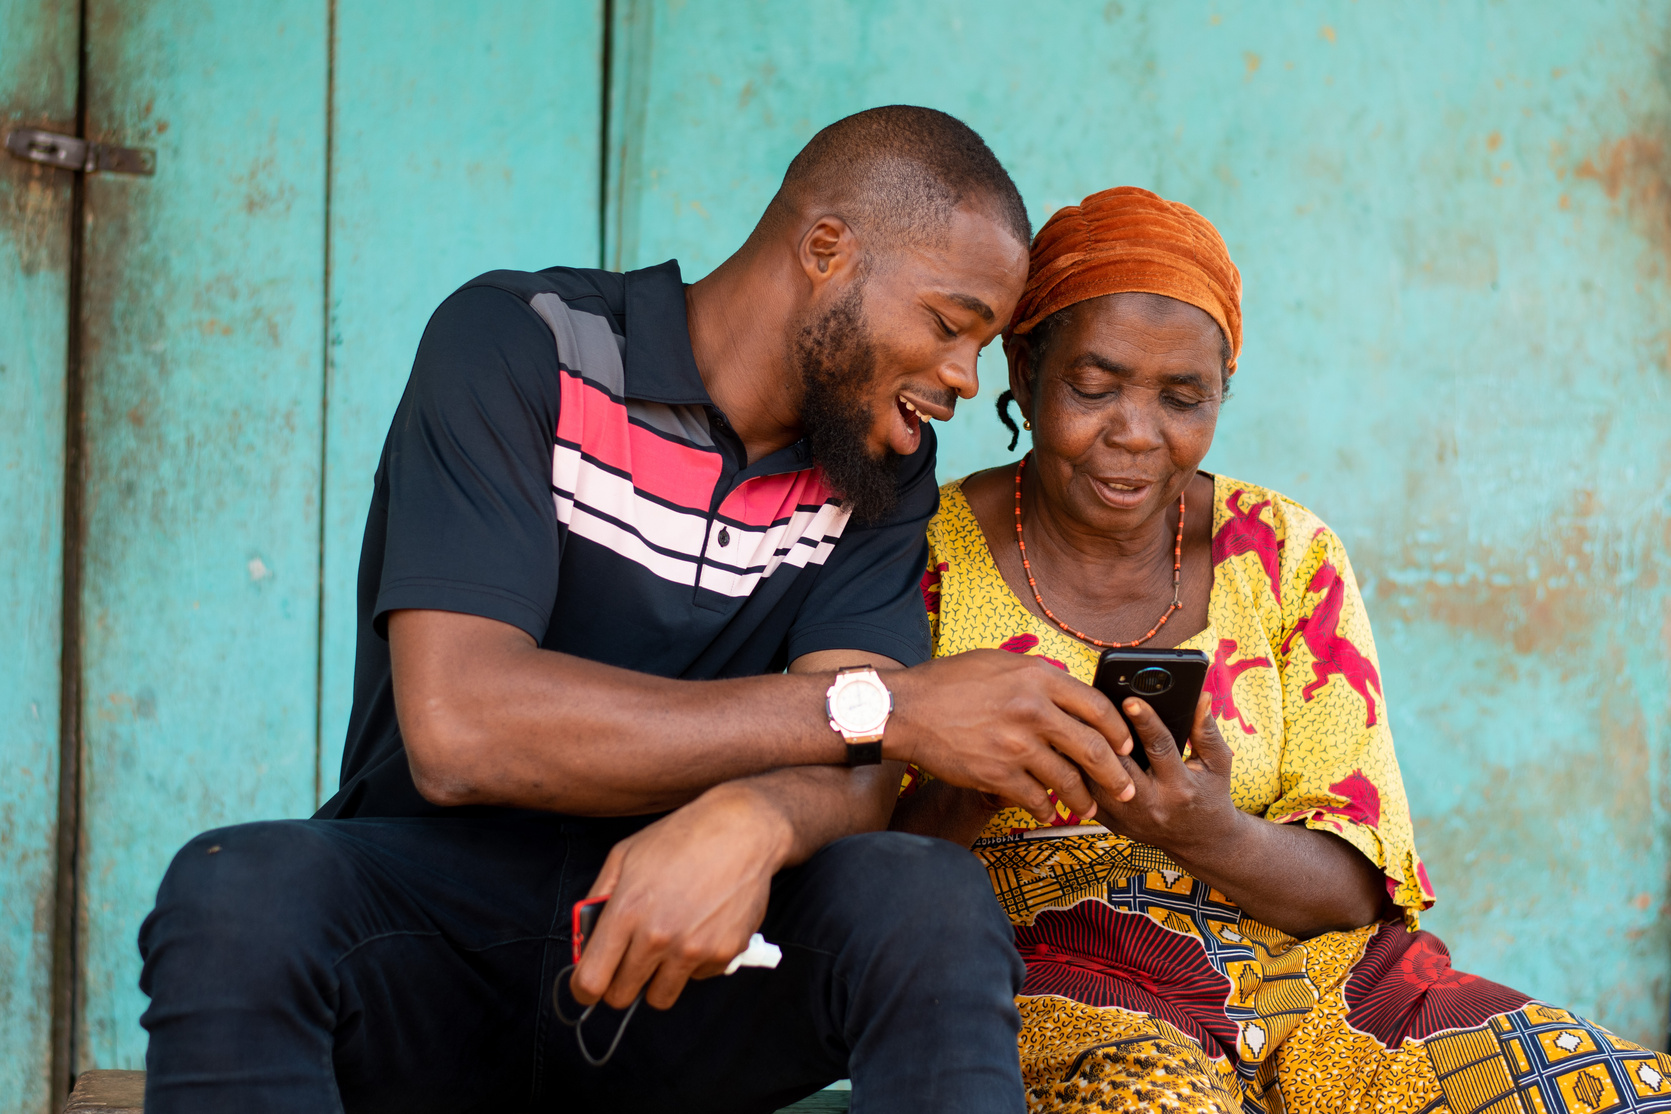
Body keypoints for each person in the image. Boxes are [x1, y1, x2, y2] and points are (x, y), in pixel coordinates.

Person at [136, 108, 1145, 1114]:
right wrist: (889, 708)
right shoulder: (523, 344)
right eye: (947, 322)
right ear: (827, 252)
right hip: (433, 942)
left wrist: (751, 819)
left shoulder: (876, 467)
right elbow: (462, 726)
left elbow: (853, 774)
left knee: (928, 900)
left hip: (693, 953)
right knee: (238, 891)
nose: (965, 379)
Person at [891, 185, 1671, 1114]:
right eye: (1093, 388)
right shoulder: (915, 552)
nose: (1136, 433)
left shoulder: (1285, 551)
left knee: (1608, 1093)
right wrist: (976, 781)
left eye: (1182, 398)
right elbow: (857, 871)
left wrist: (1201, 829)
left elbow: (1354, 890)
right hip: (1063, 982)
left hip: (1325, 989)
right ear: (1021, 367)